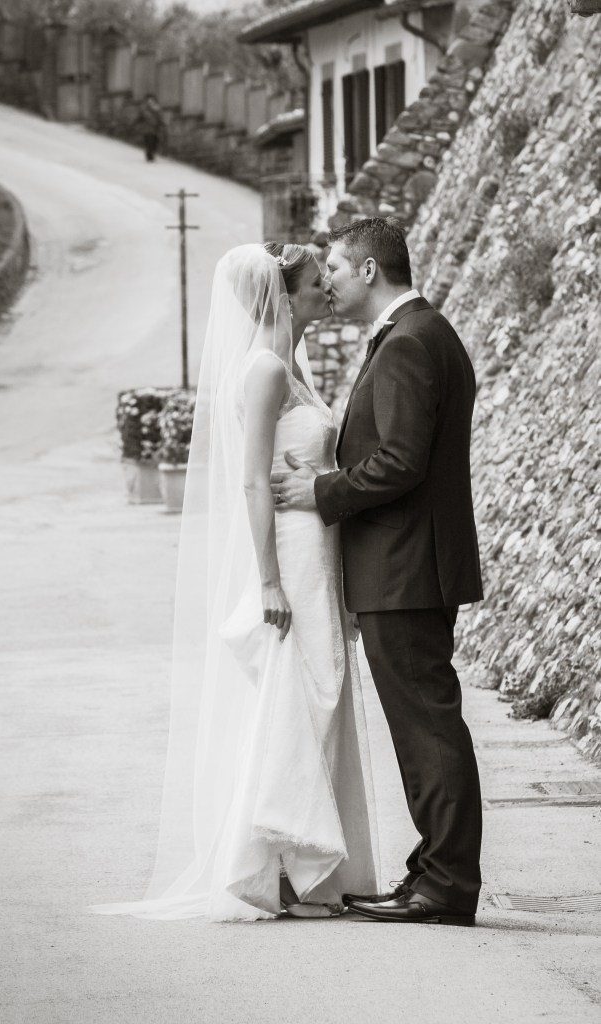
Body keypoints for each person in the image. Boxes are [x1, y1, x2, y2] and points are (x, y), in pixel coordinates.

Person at [91, 242, 379, 922]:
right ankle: (276, 866)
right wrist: (270, 583)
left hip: (318, 548)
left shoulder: (290, 368)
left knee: (319, 691)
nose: (327, 290)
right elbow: (251, 479)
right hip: (290, 555)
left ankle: (301, 865)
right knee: (295, 697)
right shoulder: (265, 370)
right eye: (318, 281)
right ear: (286, 295)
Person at [271, 217, 484, 926]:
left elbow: (398, 462)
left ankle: (443, 886)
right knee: (426, 725)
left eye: (332, 265)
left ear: (367, 270)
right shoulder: (421, 333)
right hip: (408, 565)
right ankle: (432, 873)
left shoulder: (410, 342)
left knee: (426, 728)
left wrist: (319, 493)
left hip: (404, 568)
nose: (325, 279)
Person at [139, 94, 164, 162]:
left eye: (152, 100)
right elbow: (141, 117)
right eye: (149, 101)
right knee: (148, 142)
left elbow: (160, 117)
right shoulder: (144, 109)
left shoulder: (157, 108)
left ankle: (152, 153)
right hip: (146, 129)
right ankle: (149, 155)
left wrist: (161, 124)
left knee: (155, 142)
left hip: (155, 129)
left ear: (154, 101)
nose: (150, 102)